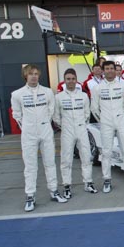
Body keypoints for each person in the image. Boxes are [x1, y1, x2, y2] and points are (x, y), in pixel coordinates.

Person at [11, 64, 67, 211]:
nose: (34, 76)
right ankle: (30, 196)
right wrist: (28, 127)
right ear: (25, 76)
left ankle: (54, 191)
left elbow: (51, 110)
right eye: (31, 74)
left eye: (36, 73)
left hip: (46, 131)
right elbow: (16, 114)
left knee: (50, 163)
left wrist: (44, 124)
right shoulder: (17, 94)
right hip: (28, 133)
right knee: (30, 166)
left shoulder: (48, 92)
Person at [91, 61, 124, 192]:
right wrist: (103, 120)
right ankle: (107, 179)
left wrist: (120, 116)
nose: (110, 71)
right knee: (106, 151)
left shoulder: (123, 86)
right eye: (107, 69)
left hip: (120, 121)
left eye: (112, 68)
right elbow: (94, 108)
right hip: (106, 122)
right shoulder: (97, 88)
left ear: (116, 70)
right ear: (103, 71)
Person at [54, 69, 97, 197]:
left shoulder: (83, 95)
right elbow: (56, 116)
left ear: (76, 79)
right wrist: (63, 125)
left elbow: (86, 113)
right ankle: (67, 185)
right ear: (64, 80)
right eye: (68, 79)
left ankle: (88, 182)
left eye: (73, 78)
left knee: (87, 156)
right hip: (67, 130)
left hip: (81, 128)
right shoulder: (58, 97)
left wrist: (82, 124)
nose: (71, 81)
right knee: (66, 159)